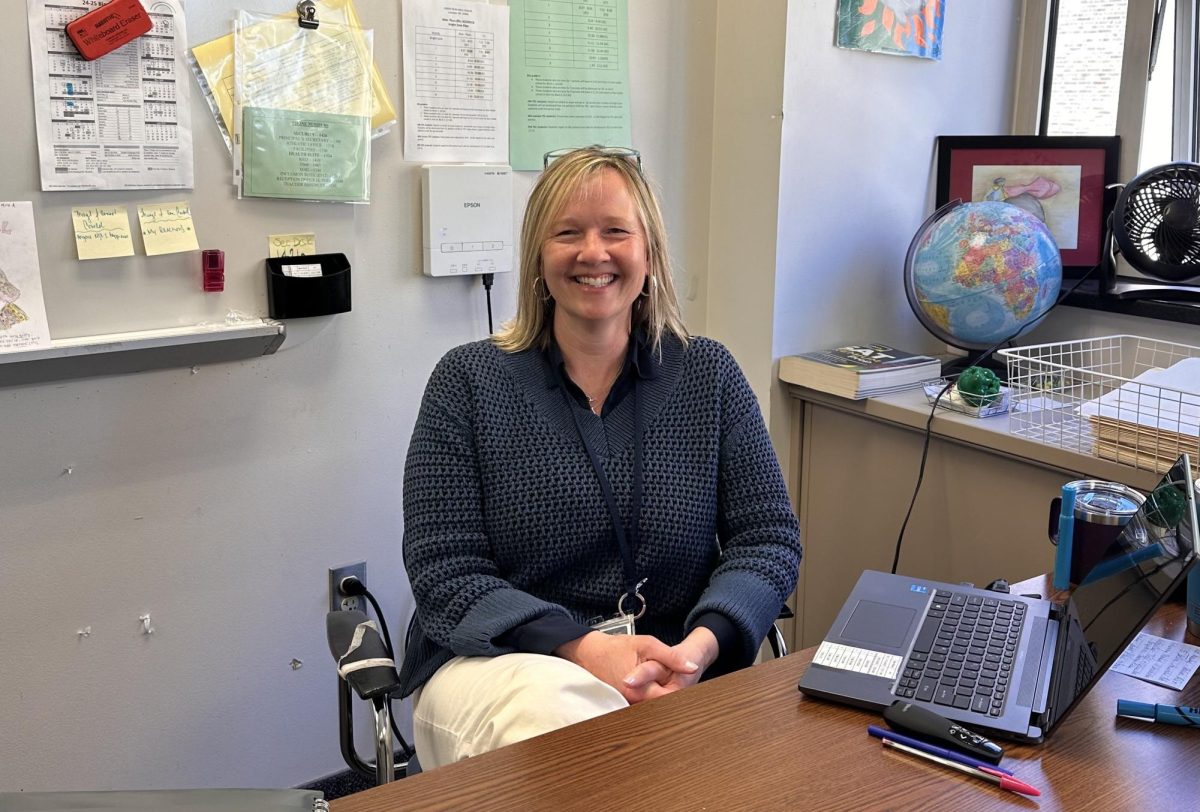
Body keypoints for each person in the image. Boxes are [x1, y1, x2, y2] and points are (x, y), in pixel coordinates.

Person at [398, 146, 802, 769]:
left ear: (650, 253)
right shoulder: (469, 382)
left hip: (675, 666)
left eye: (616, 230)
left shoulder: (708, 375)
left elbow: (767, 539)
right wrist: (583, 649)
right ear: (539, 256)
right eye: (568, 233)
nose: (594, 253)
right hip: (502, 665)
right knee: (568, 726)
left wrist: (700, 647)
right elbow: (444, 571)